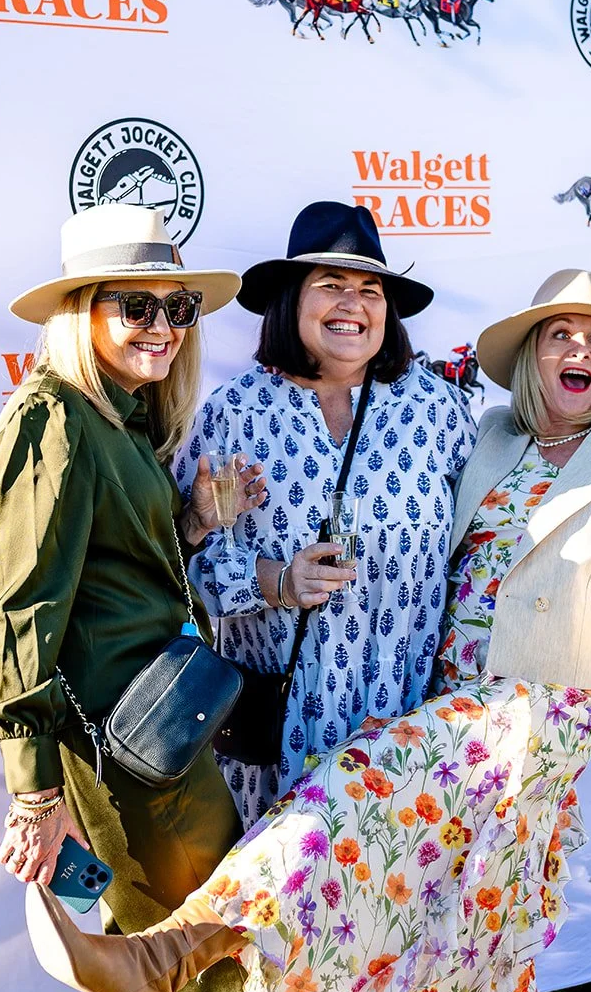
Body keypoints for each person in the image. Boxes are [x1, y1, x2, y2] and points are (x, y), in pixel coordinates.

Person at [25, 264, 591, 992]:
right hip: (448, 700)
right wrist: (248, 555)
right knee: (456, 940)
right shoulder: (489, 437)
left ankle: (167, 952)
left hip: (537, 712)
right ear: (532, 357)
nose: (579, 351)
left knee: (353, 787)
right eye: (560, 335)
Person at [0, 203, 336, 992]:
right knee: (217, 978)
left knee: (143, 984)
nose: (162, 324)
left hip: (152, 743)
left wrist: (194, 522)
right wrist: (34, 787)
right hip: (127, 758)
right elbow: (19, 615)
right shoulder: (50, 419)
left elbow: (111, 575)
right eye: (135, 305)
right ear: (81, 310)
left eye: (176, 305)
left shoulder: (114, 417)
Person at [177, 201, 475, 829]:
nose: (353, 303)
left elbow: (479, 549)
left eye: (370, 290)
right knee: (273, 912)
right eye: (331, 286)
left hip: (408, 729)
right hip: (277, 731)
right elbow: (186, 562)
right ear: (291, 299)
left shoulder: (438, 410)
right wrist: (277, 582)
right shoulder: (236, 415)